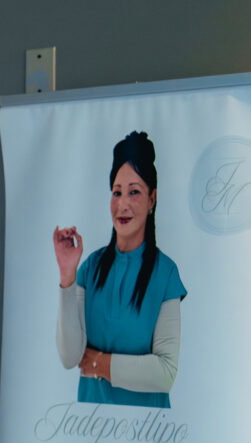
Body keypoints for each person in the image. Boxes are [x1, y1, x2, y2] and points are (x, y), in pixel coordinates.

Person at [53, 131, 187, 408]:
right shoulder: (90, 267)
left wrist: (96, 362)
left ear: (152, 199)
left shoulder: (166, 274)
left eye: (134, 192)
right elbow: (69, 357)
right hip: (91, 425)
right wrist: (68, 275)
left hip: (146, 432)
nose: (122, 204)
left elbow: (165, 375)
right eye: (117, 192)